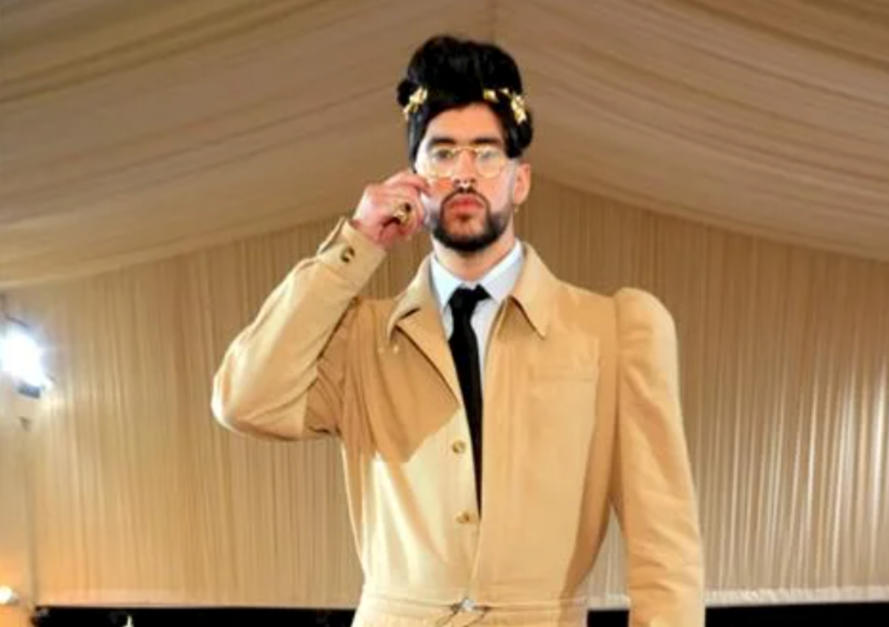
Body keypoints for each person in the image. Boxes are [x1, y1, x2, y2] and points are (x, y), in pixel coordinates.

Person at [212, 35, 703, 627]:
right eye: (443, 154)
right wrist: (356, 245)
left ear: (520, 181)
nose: (465, 174)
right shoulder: (359, 338)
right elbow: (245, 402)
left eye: (486, 154)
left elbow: (666, 554)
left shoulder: (615, 330)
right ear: (414, 178)